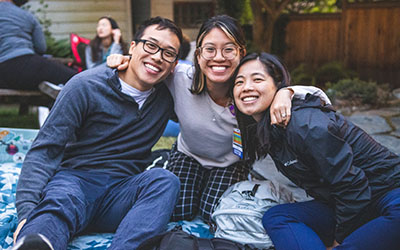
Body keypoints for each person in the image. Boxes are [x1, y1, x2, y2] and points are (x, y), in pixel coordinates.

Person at [107, 15, 331, 223]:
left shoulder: (250, 91)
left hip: (230, 163)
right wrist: (125, 59)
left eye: (228, 49)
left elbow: (320, 97)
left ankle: (239, 179)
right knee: (175, 211)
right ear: (198, 54)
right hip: (189, 155)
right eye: (210, 49)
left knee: (212, 215)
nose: (218, 58)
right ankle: (164, 160)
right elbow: (149, 67)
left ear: (241, 53)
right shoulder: (180, 79)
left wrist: (287, 92)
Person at [13, 16, 183, 250]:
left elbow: (207, 93)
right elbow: (45, 150)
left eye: (168, 53)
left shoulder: (167, 97)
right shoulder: (85, 86)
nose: (157, 56)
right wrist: (26, 212)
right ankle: (37, 241)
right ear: (132, 47)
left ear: (174, 64)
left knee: (165, 181)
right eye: (151, 45)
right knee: (59, 203)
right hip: (76, 181)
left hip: (122, 192)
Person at [232, 52, 400, 250]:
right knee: (276, 217)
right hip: (347, 203)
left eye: (257, 79)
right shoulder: (266, 127)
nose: (247, 87)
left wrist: (339, 239)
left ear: (278, 85)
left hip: (387, 194)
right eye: (239, 82)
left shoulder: (303, 123)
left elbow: (352, 186)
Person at [0, 0, 77, 91]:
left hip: (3, 76)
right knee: (75, 79)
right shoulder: (26, 16)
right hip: (24, 66)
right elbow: (41, 48)